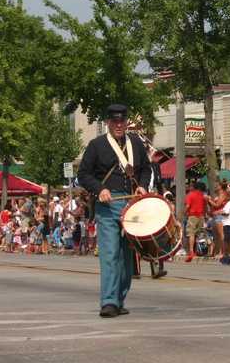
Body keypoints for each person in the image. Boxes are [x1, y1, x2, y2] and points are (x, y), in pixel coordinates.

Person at [77, 104, 151, 318]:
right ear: (108, 123)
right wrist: (100, 189)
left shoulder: (136, 143)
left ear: (126, 122)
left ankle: (119, 299)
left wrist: (142, 185)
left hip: (132, 204)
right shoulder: (96, 145)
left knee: (127, 257)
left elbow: (146, 168)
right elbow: (84, 174)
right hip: (108, 205)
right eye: (114, 122)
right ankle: (108, 302)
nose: (119, 125)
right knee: (110, 254)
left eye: (122, 121)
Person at [184, 182, 207, 262]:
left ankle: (191, 251)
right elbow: (205, 207)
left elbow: (187, 206)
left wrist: (183, 213)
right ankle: (196, 251)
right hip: (201, 216)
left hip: (192, 215)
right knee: (197, 234)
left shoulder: (190, 194)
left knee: (191, 233)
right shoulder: (203, 196)